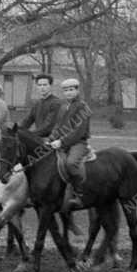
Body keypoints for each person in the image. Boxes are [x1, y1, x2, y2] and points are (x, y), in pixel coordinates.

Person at [49, 78, 91, 212]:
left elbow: (78, 131)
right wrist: (51, 139)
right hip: (62, 143)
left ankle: (80, 193)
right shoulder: (63, 107)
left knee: (71, 163)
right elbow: (58, 127)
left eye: (71, 90)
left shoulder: (83, 107)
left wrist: (61, 142)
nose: (68, 93)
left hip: (78, 142)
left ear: (77, 90)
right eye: (66, 90)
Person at [18, 74, 62, 139]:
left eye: (45, 85)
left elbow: (48, 126)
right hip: (39, 137)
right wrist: (15, 130)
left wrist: (30, 135)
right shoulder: (37, 103)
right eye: (39, 85)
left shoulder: (56, 103)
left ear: (51, 86)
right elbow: (27, 121)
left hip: (52, 139)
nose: (42, 87)